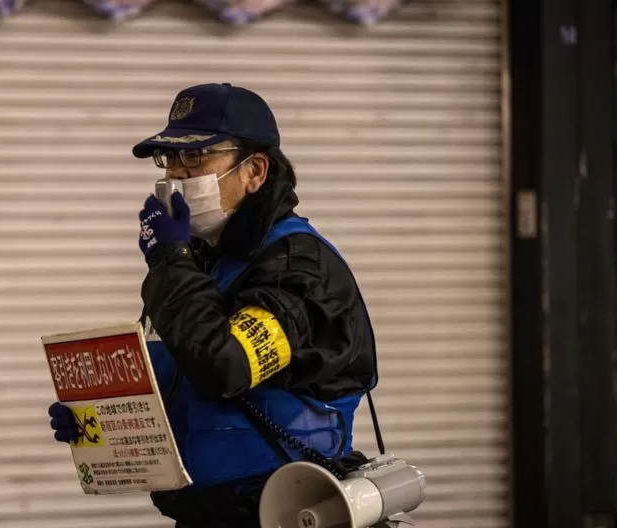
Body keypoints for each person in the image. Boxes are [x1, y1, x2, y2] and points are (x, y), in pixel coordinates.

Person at [48, 82, 380, 528]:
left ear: (255, 172)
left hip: (290, 510)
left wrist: (170, 260)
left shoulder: (300, 267)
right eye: (170, 159)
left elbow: (225, 366)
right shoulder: (206, 263)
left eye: (196, 157)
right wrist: (102, 423)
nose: (176, 176)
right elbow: (185, 380)